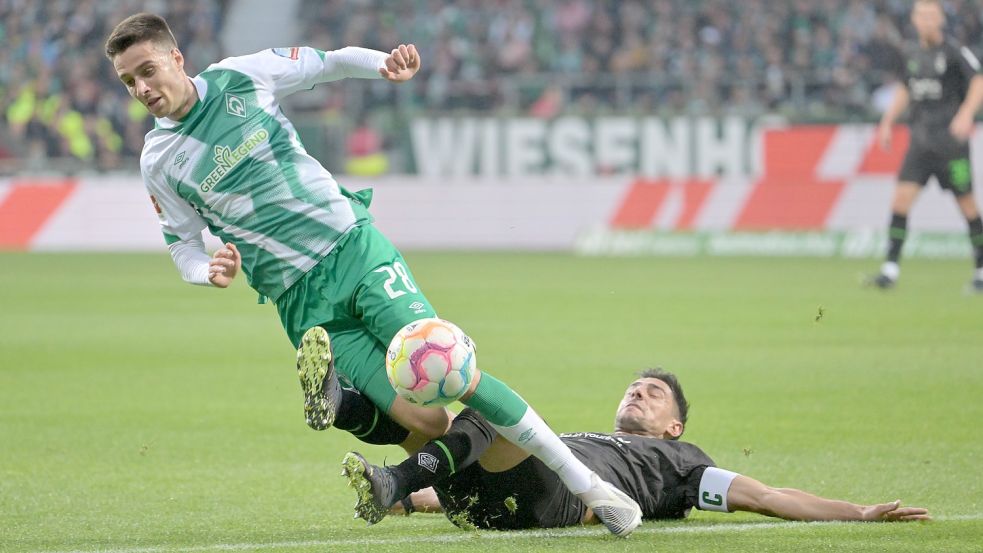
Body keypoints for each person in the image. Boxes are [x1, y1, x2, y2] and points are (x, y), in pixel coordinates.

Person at [104, 13, 641, 537]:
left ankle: (590, 487)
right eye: (129, 81)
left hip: (355, 253)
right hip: (300, 303)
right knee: (428, 422)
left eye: (148, 70)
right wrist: (209, 271)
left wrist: (384, 64)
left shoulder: (240, 76)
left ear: (176, 58)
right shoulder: (160, 161)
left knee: (453, 375)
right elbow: (181, 246)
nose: (141, 88)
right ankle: (362, 421)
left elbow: (330, 62)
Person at [342, 368, 930, 530]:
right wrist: (418, 503)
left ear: (674, 426)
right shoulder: (584, 437)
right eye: (634, 388)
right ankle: (345, 406)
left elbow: (768, 496)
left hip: (555, 501)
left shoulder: (683, 461)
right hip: (490, 503)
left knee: (491, 412)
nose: (638, 394)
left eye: (653, 394)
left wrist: (857, 512)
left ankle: (396, 475)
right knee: (431, 418)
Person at [871, 0, 983, 291]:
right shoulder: (910, 53)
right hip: (920, 143)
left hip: (951, 145)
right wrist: (887, 121)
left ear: (941, 19)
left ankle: (981, 271)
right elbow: (905, 89)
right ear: (914, 19)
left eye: (932, 15)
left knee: (968, 206)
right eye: (922, 15)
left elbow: (978, 81)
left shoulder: (955, 52)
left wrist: (966, 113)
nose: (927, 20)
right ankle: (890, 270)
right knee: (900, 201)